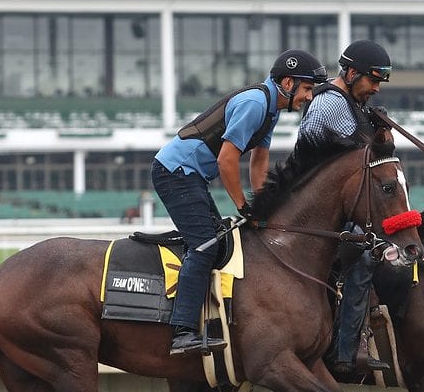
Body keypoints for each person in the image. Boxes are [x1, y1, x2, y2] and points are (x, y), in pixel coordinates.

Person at [152, 48, 328, 356]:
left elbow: (258, 162)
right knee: (205, 245)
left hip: (190, 176)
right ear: (287, 83)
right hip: (175, 172)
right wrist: (243, 207)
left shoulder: (271, 109)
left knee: (218, 245)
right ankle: (182, 332)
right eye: (307, 89)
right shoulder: (255, 103)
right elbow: (227, 160)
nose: (309, 97)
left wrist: (263, 205)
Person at [298, 39, 394, 375]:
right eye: (372, 80)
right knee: (365, 256)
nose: (376, 89)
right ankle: (347, 351)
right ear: (351, 73)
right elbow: (307, 161)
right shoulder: (328, 105)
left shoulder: (357, 105)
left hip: (343, 209)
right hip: (320, 215)